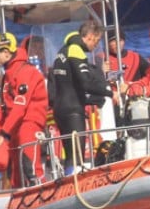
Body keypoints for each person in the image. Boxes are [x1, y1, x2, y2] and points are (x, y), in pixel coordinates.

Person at [0, 32, 50, 188]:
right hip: (15, 126)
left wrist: (3, 135)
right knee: (14, 169)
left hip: (29, 123)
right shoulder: (9, 74)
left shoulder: (25, 72)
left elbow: (19, 108)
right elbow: (4, 107)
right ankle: (18, 198)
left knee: (30, 166)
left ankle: (41, 192)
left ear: (6, 52)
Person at [49, 19, 114, 172]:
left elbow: (68, 84)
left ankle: (68, 180)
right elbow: (85, 83)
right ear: (90, 36)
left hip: (61, 109)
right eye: (96, 41)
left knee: (70, 154)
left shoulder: (62, 52)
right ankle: (75, 185)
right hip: (72, 110)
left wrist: (95, 99)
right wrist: (109, 92)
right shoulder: (75, 49)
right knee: (77, 154)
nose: (95, 46)